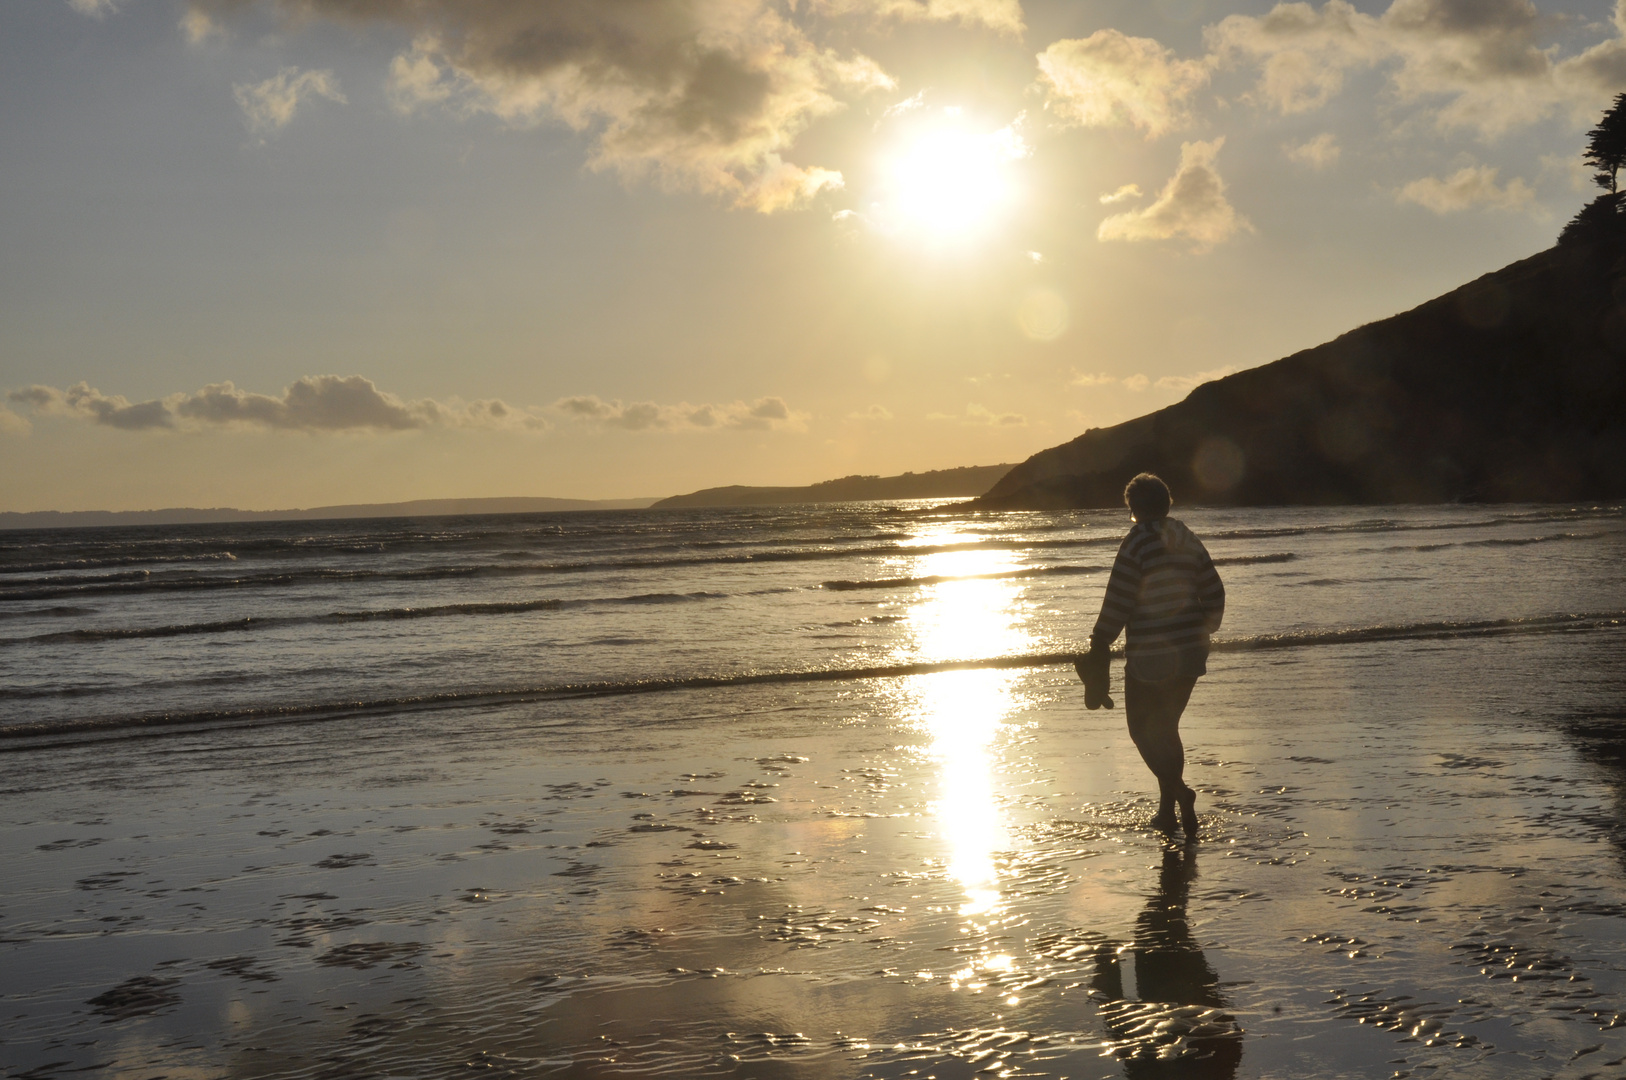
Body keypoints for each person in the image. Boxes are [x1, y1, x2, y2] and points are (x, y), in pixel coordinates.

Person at [1080, 473, 1224, 838]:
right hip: (1191, 652)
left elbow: (1119, 599)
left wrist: (1100, 641)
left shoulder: (1136, 542)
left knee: (1142, 732)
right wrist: (1204, 629)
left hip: (1152, 656)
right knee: (1166, 728)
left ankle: (1179, 793)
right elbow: (1214, 590)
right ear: (1167, 503)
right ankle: (1166, 812)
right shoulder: (1185, 536)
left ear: (1134, 508)